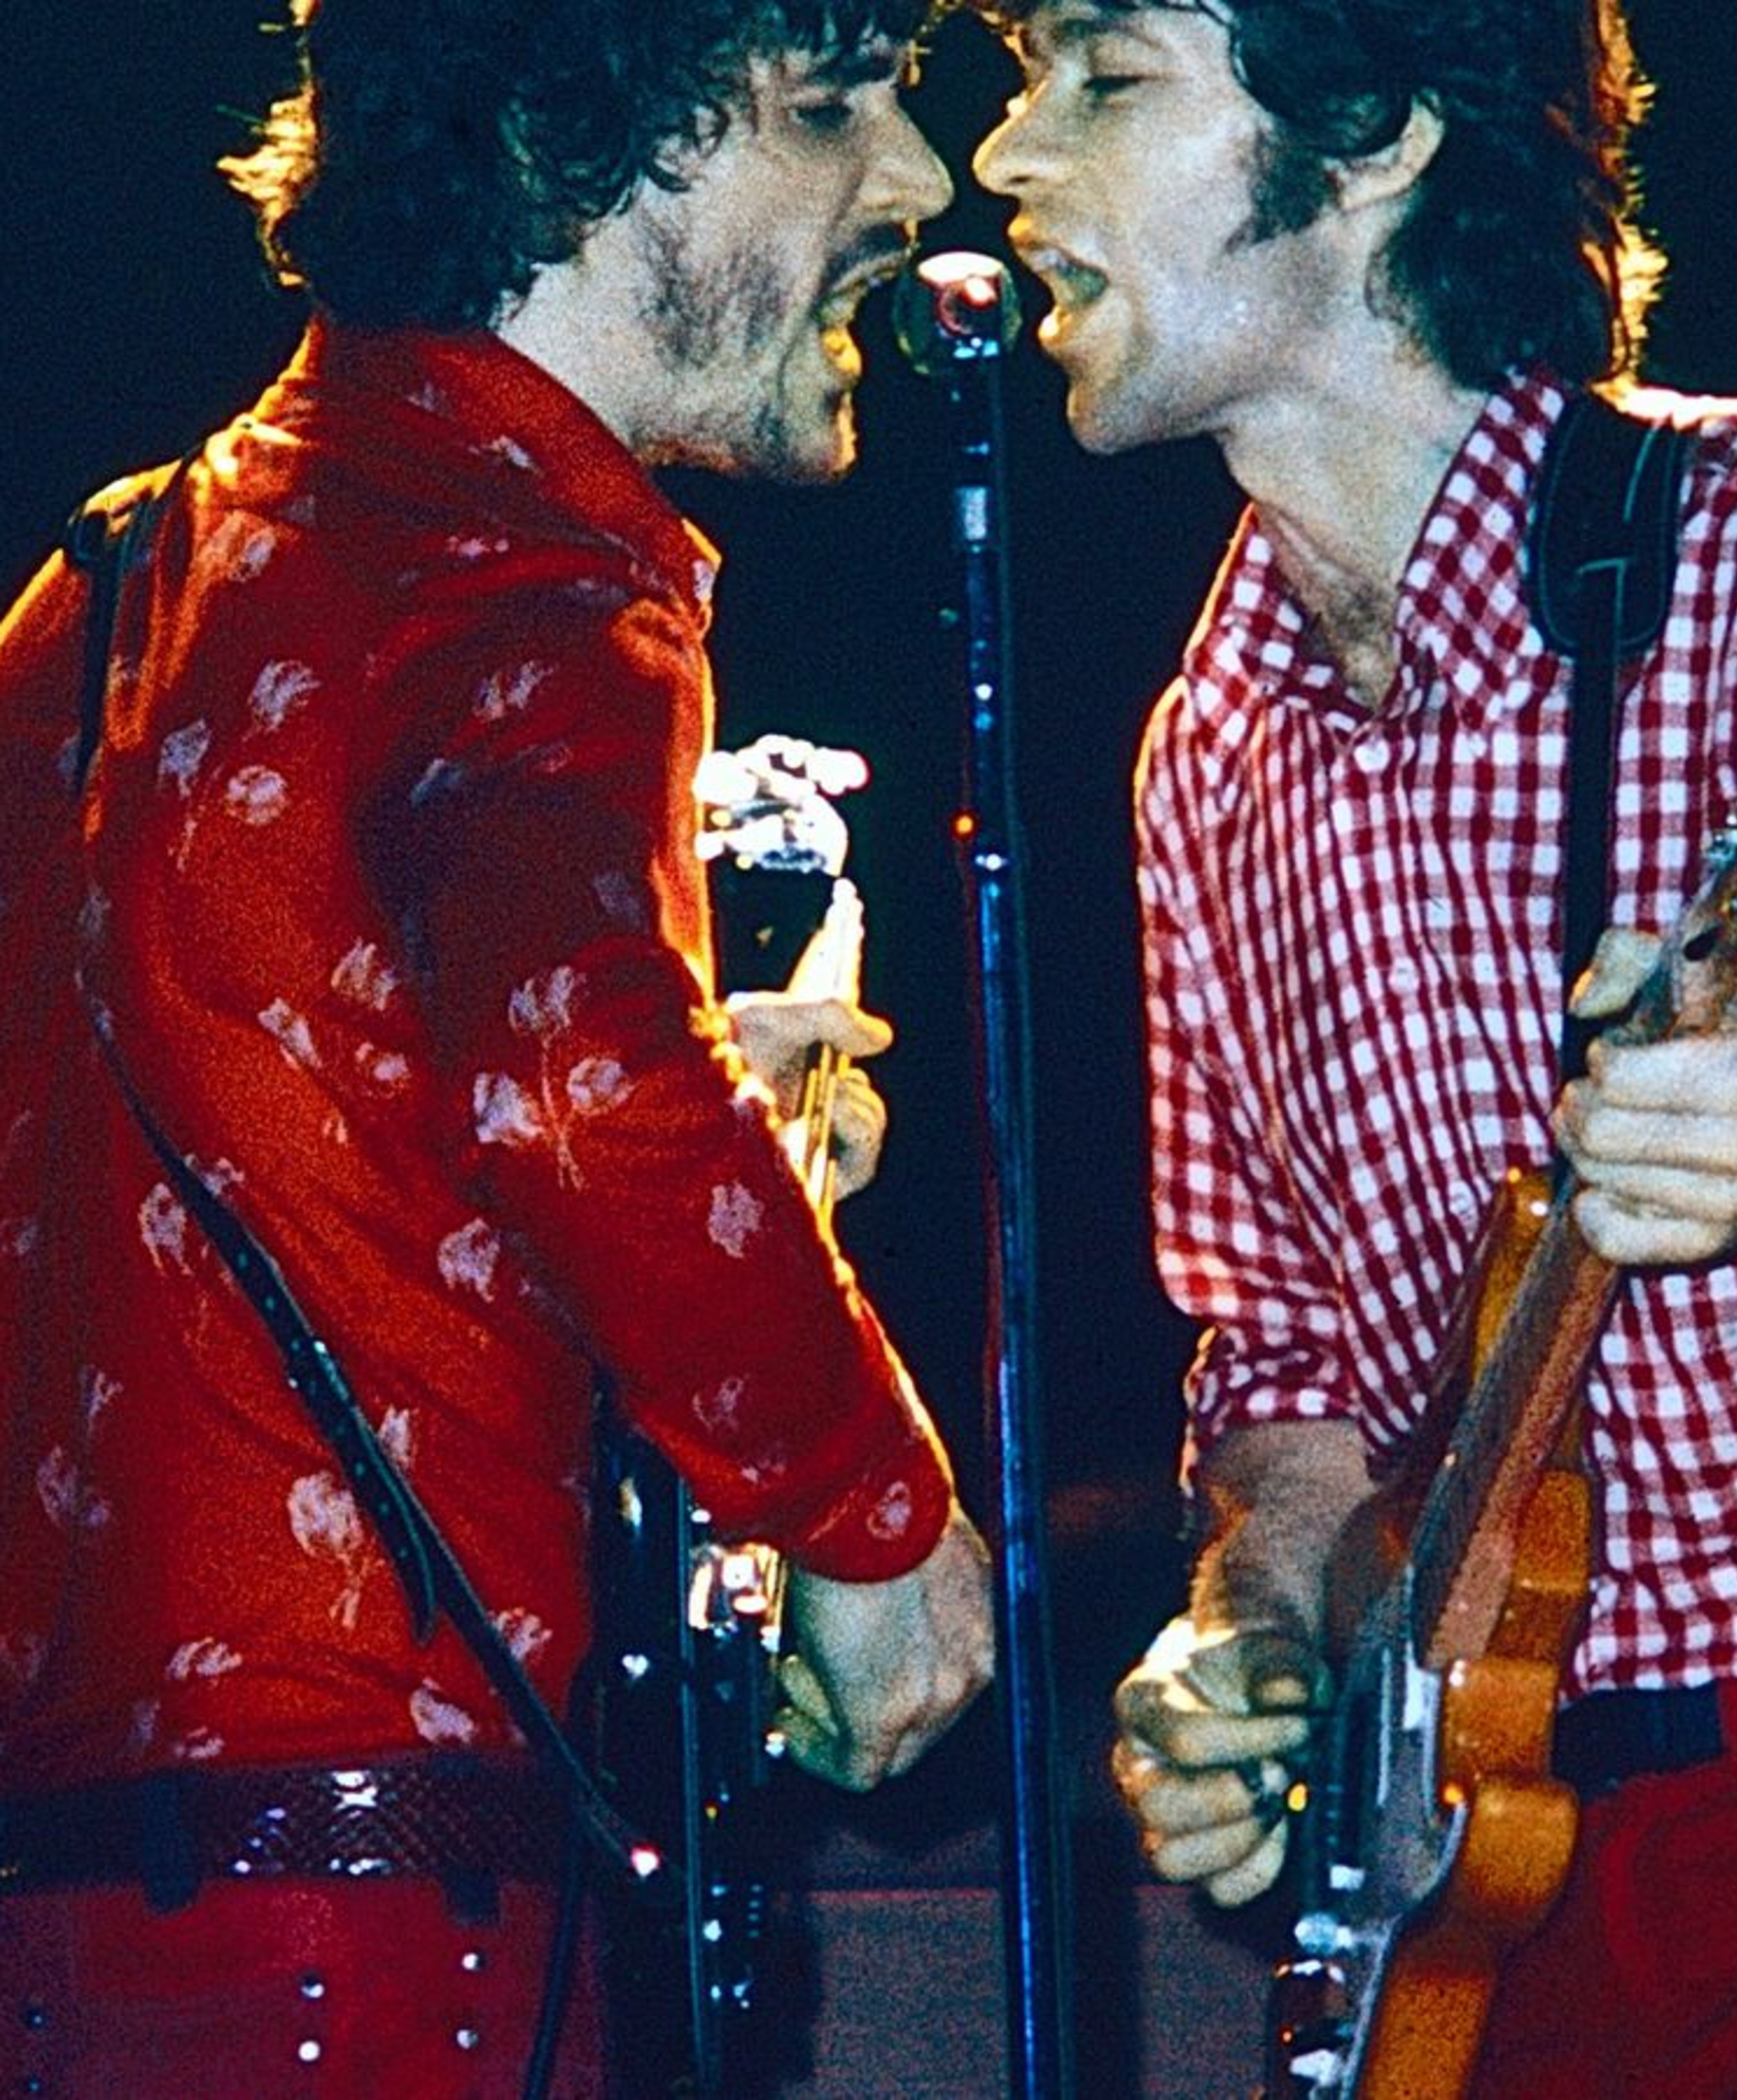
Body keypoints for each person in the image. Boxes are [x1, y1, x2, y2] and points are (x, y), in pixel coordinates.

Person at [970, 0, 1737, 2089]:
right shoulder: (1209, 751)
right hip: (1500, 1897)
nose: (1011, 158)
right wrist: (1244, 1645)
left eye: (1106, 78)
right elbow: (1291, 1378)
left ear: (1379, 131)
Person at [0, 0, 993, 2090]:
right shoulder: (518, 567)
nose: (920, 181)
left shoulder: (110, 592)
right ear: (568, 147)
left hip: (66, 1905)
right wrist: (871, 1527)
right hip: (376, 1909)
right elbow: (580, 1086)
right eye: (832, 105)